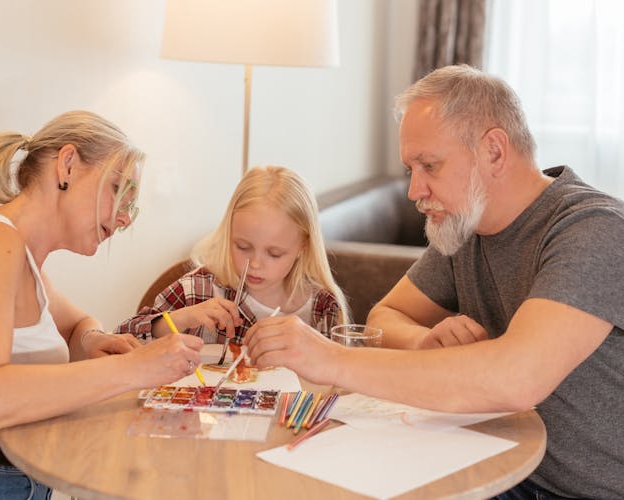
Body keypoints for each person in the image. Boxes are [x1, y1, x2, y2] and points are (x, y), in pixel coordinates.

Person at [244, 65, 624, 499]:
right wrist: (422, 344)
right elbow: (388, 315)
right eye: (411, 169)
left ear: (494, 152)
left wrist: (327, 358)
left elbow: (519, 380)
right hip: (502, 464)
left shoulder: (595, 230)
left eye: (429, 165)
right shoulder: (466, 228)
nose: (414, 190)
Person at [0, 110, 203, 500]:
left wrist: (91, 340)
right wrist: (132, 369)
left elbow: (75, 324)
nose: (123, 219)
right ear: (67, 165)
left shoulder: (24, 260)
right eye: (118, 189)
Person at [116, 165, 349, 344]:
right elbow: (121, 339)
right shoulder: (197, 291)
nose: (255, 264)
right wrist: (182, 319)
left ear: (303, 246)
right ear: (229, 233)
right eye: (243, 247)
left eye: (275, 253)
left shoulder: (322, 307)